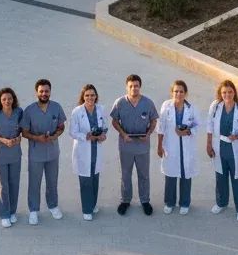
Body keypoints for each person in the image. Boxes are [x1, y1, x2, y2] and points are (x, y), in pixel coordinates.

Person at [109, 73, 159, 216]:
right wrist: (123, 134)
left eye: (136, 86)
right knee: (125, 174)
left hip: (143, 145)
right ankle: (125, 200)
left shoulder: (148, 103)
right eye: (131, 86)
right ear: (127, 87)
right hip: (126, 145)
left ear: (140, 87)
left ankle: (145, 201)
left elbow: (154, 120)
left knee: (144, 175)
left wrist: (148, 133)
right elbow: (114, 121)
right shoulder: (120, 103)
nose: (134, 88)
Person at [206, 78, 238, 221]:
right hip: (219, 146)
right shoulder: (215, 106)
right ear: (220, 94)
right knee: (220, 176)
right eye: (224, 92)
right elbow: (209, 125)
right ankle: (221, 203)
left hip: (235, 148)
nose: (227, 95)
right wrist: (208, 144)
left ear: (234, 93)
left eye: (230, 92)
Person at [21, 78, 67, 225]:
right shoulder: (29, 111)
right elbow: (24, 132)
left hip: (53, 152)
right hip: (36, 153)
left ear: (50, 92)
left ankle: (53, 206)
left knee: (52, 181)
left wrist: (55, 135)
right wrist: (37, 138)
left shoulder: (56, 107)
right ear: (36, 93)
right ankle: (33, 210)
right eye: (41, 91)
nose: (44, 93)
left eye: (46, 91)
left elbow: (61, 126)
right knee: (34, 182)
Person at [156, 79, 200, 215]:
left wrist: (187, 131)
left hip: (186, 146)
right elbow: (161, 127)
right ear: (172, 92)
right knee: (170, 174)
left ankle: (185, 203)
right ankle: (169, 202)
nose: (178, 94)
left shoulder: (191, 108)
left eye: (181, 91)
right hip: (170, 146)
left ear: (185, 93)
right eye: (176, 91)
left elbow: (198, 125)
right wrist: (159, 145)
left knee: (186, 174)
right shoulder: (166, 106)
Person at [0, 86, 24, 228]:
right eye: (4, 99)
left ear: (14, 100)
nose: (7, 101)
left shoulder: (19, 112)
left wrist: (19, 138)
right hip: (0, 153)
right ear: (0, 101)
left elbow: (22, 130)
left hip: (15, 153)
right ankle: (5, 214)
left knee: (14, 184)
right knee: (3, 185)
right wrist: (1, 139)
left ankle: (13, 212)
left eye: (10, 98)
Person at [69, 83, 108, 221]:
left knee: (95, 178)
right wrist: (86, 136)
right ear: (83, 97)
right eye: (87, 95)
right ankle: (86, 209)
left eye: (92, 95)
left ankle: (93, 204)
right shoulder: (77, 111)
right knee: (85, 180)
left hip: (96, 149)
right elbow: (72, 132)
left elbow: (105, 126)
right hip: (83, 150)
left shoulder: (101, 109)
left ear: (96, 96)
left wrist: (103, 134)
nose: (90, 98)